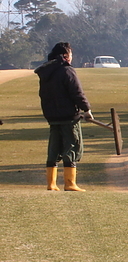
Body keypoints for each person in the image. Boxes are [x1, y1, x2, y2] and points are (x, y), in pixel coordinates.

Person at [34, 42, 93, 191]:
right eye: (71, 54)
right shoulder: (67, 70)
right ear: (65, 55)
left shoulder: (46, 72)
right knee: (73, 146)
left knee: (54, 148)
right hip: (69, 116)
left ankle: (51, 184)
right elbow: (76, 92)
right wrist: (86, 109)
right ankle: (70, 183)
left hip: (52, 117)